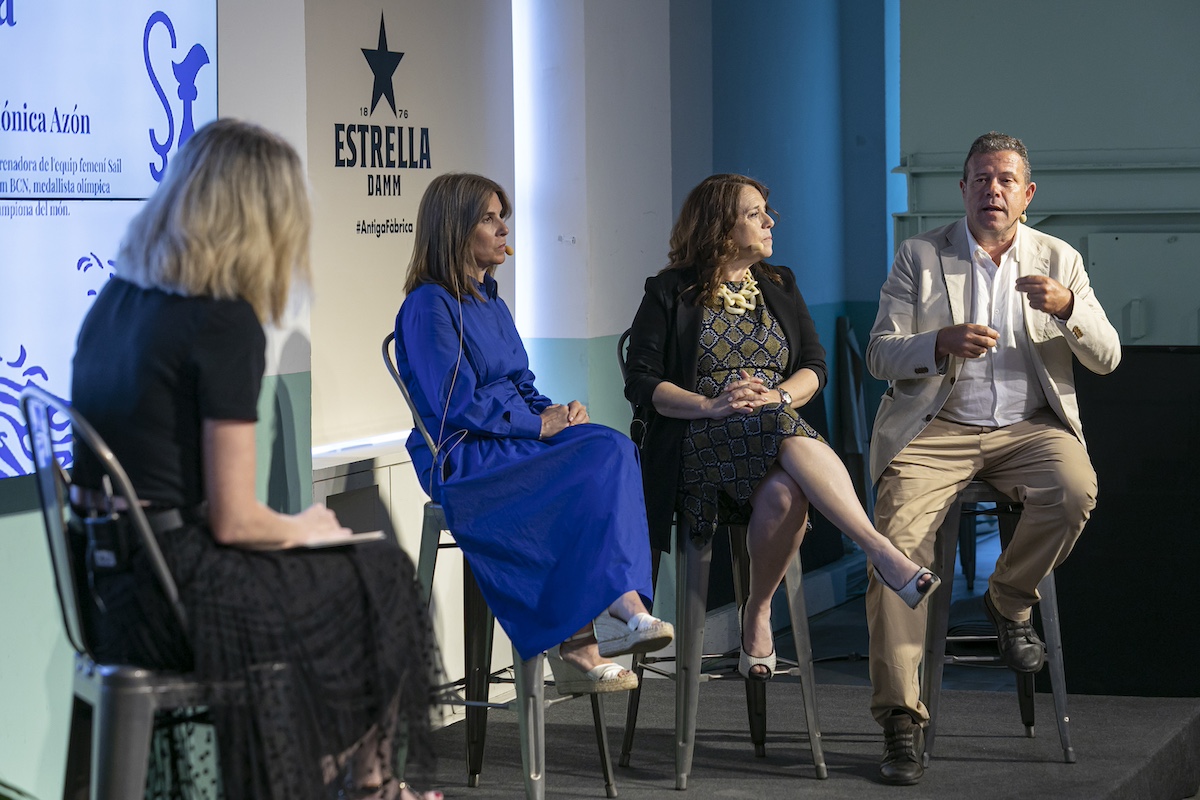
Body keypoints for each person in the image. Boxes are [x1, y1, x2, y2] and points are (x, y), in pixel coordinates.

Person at [69, 118, 441, 800]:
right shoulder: (223, 322)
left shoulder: (116, 303)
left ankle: (354, 782)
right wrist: (306, 528)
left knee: (345, 575)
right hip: (174, 595)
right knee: (383, 574)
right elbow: (236, 521)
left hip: (105, 590)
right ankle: (368, 784)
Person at [865, 131, 1121, 785]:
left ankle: (1008, 599)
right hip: (936, 429)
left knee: (1074, 488)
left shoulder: (1059, 259)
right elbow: (879, 356)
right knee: (894, 549)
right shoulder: (921, 256)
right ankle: (901, 719)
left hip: (1027, 430)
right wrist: (938, 342)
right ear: (963, 189)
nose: (992, 190)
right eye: (980, 178)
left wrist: (1068, 311)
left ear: (1027, 194)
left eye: (1005, 179)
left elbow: (1108, 357)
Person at [625, 173, 939, 682]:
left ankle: (758, 610)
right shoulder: (668, 290)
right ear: (719, 227)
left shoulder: (780, 284)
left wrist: (779, 395)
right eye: (755, 214)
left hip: (775, 431)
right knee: (778, 425)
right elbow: (641, 383)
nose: (770, 222)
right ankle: (881, 550)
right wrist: (711, 404)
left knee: (786, 494)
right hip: (699, 444)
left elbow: (816, 365)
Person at [394, 172, 673, 695]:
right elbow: (455, 404)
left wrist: (559, 413)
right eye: (489, 218)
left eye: (504, 217)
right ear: (455, 229)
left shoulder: (489, 300)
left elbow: (520, 383)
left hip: (515, 440)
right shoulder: (430, 305)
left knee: (612, 446)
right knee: (589, 467)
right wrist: (536, 425)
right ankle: (583, 635)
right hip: (469, 456)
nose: (504, 229)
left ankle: (618, 608)